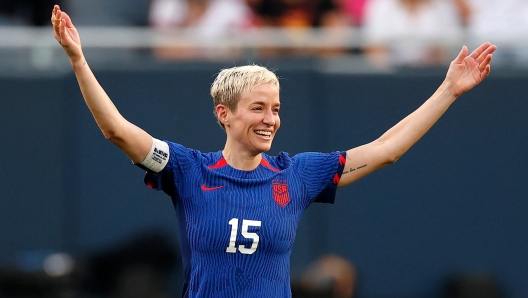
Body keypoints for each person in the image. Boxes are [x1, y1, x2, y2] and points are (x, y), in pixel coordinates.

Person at [51, 3, 496, 297]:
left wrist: (449, 90)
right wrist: (77, 58)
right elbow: (117, 131)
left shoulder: (297, 174)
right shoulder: (188, 169)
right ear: (224, 114)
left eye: (277, 109)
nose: (270, 119)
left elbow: (385, 150)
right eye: (258, 108)